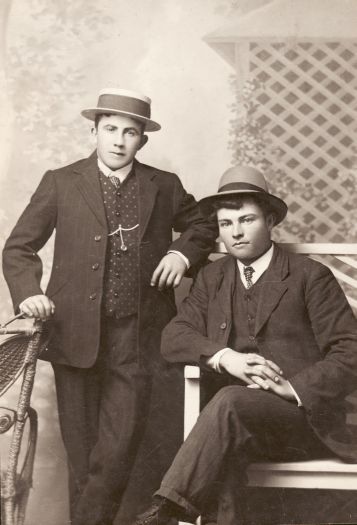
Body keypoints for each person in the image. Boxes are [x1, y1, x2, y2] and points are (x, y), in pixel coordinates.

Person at [2, 87, 217, 525]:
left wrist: (181, 254)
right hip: (73, 337)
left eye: (130, 132)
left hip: (138, 339)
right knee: (82, 457)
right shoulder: (61, 181)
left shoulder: (164, 185)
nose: (119, 140)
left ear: (143, 140)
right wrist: (29, 292)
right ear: (94, 130)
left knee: (116, 452)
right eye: (111, 129)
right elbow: (19, 248)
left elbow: (202, 225)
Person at [132, 165, 357, 525]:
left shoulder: (309, 276)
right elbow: (174, 336)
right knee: (224, 440)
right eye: (225, 224)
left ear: (270, 221)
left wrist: (292, 387)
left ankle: (168, 513)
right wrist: (225, 358)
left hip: (302, 423)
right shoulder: (211, 277)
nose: (235, 232)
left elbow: (351, 353)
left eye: (246, 219)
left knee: (227, 404)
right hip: (234, 426)